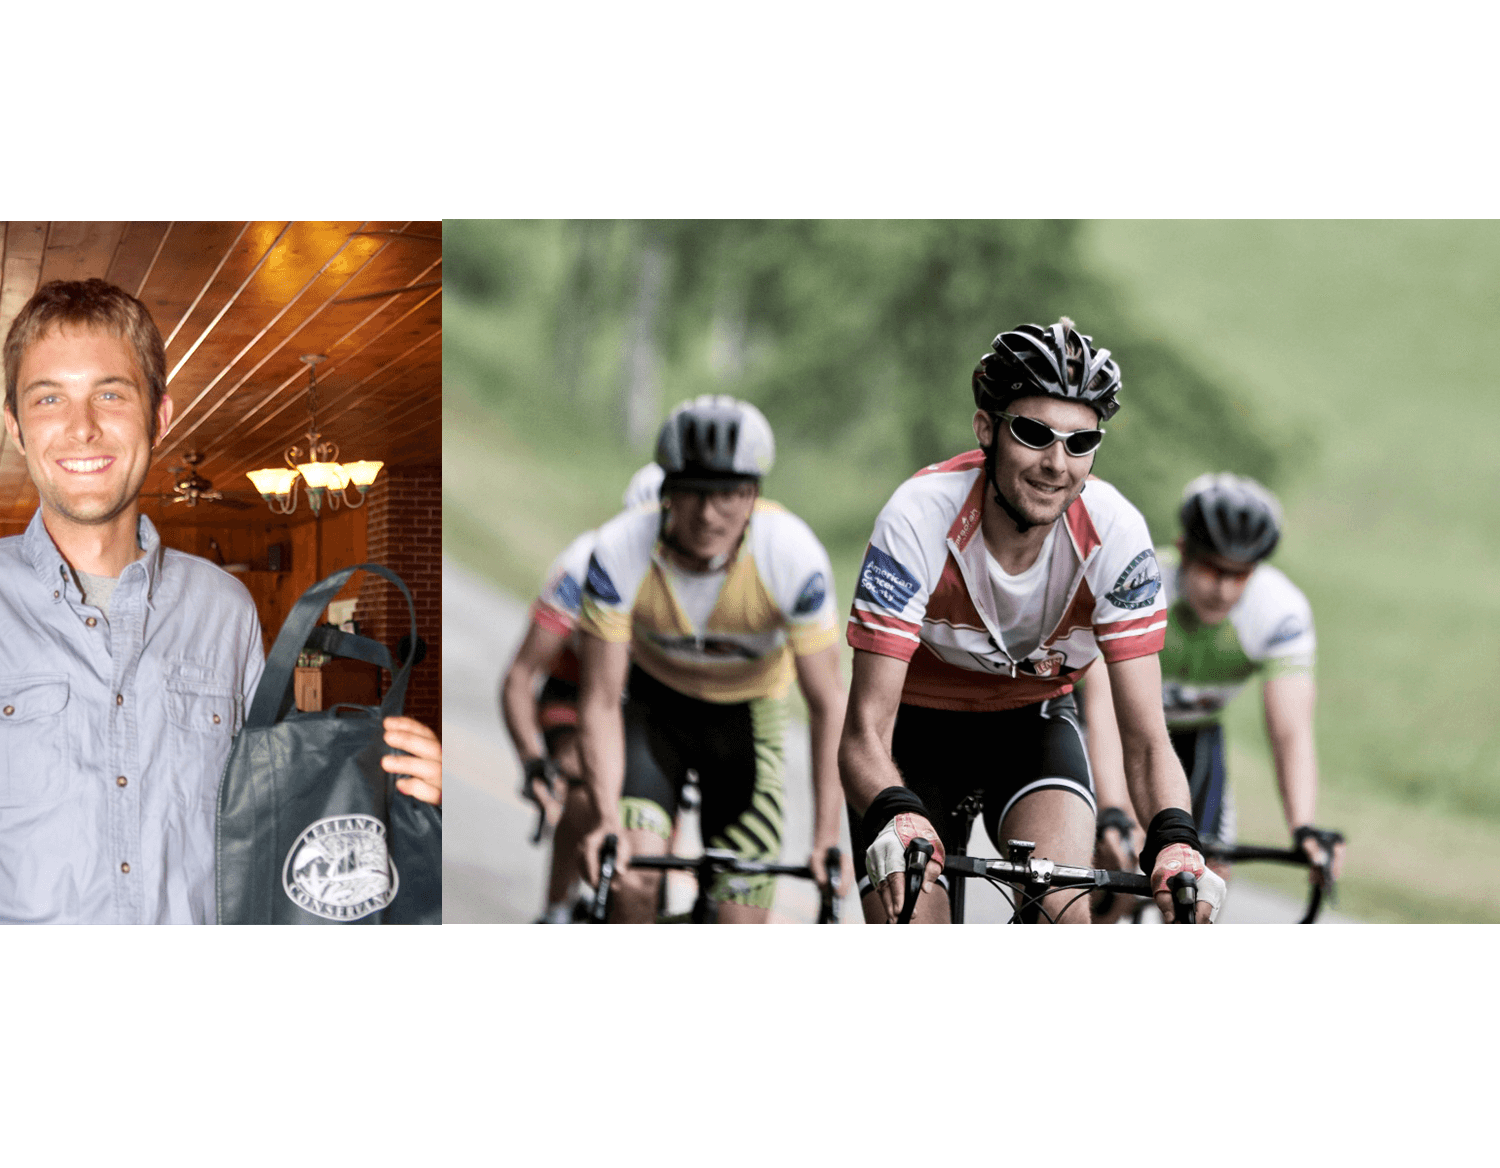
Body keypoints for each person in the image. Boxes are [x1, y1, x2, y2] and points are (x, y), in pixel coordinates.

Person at [0, 278, 442, 924]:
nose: (82, 428)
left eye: (111, 394)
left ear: (159, 416)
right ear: (15, 426)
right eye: (49, 399)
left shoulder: (226, 613)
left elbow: (281, 824)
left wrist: (393, 790)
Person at [840, 317, 1221, 923]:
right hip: (914, 731)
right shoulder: (917, 517)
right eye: (1033, 433)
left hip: (1030, 724)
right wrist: (895, 812)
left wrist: (1176, 841)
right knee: (911, 913)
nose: (1056, 463)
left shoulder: (1116, 535)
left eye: (1080, 442)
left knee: (1063, 915)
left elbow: (1147, 740)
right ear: (987, 429)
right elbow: (862, 733)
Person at [572, 398, 847, 924]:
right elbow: (601, 701)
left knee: (739, 916)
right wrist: (606, 818)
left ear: (754, 496)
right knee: (630, 879)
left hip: (747, 719)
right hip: (655, 713)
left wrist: (826, 839)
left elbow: (829, 705)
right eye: (693, 493)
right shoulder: (618, 549)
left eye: (728, 494)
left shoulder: (792, 556)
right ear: (666, 490)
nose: (708, 514)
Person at [1089, 473, 1336, 918]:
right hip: (1115, 734)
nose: (1223, 588)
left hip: (1194, 739)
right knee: (1117, 883)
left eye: (1239, 574)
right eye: (1211, 568)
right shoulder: (1140, 583)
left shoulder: (1279, 612)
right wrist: (1115, 810)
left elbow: (1291, 732)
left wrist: (1303, 827)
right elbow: (1103, 706)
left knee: (1201, 891)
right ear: (1183, 550)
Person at [501, 464, 661, 924]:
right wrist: (534, 762)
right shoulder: (586, 564)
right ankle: (554, 910)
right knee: (583, 785)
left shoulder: (703, 574)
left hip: (648, 698)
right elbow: (518, 677)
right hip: (576, 689)